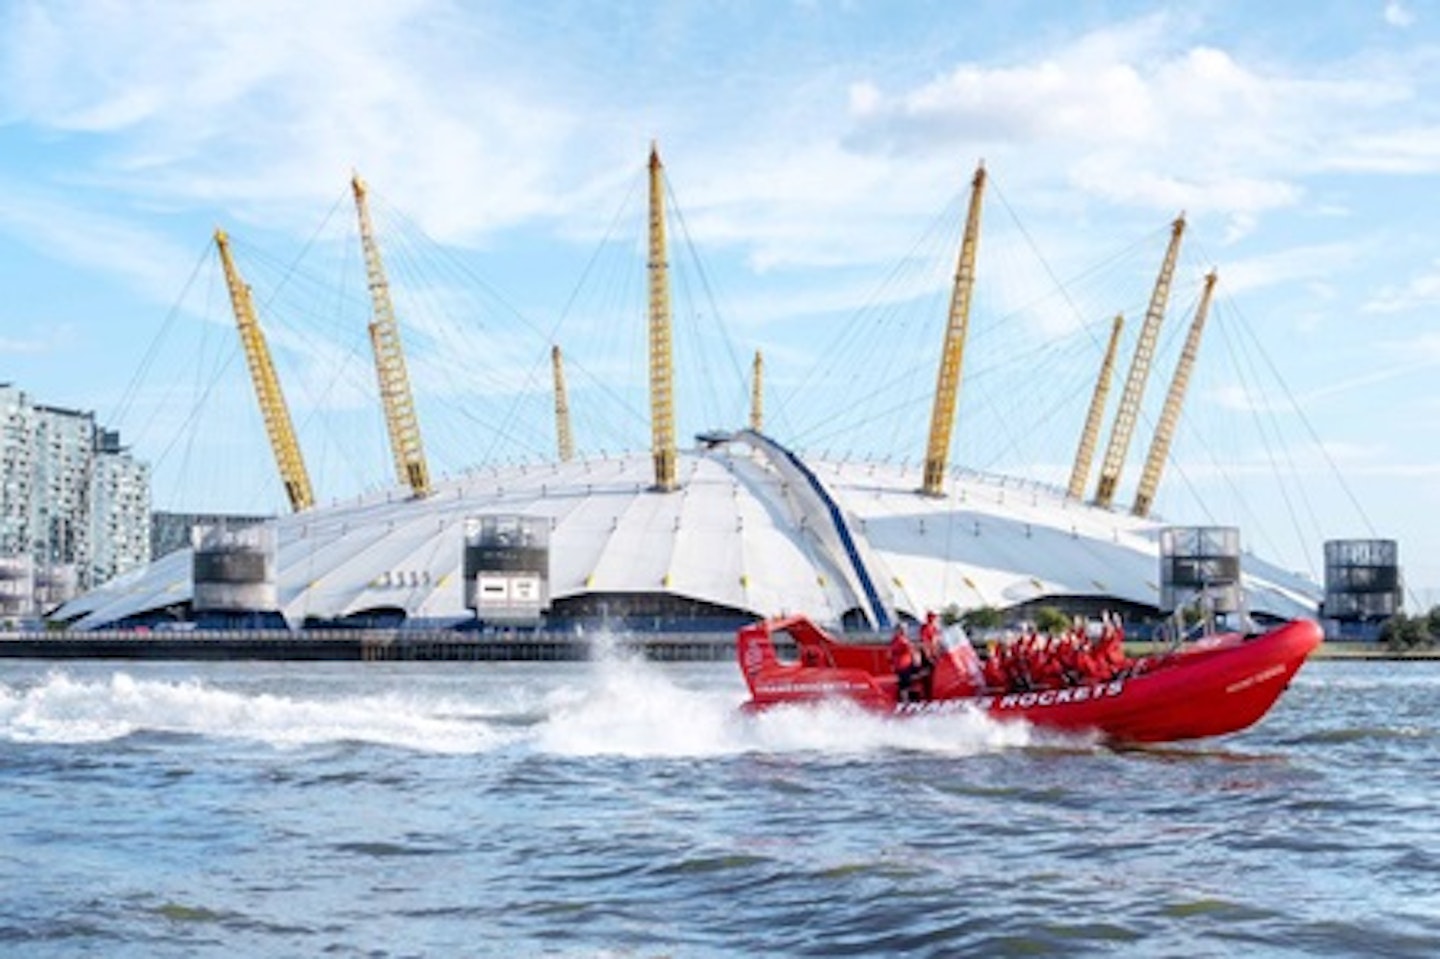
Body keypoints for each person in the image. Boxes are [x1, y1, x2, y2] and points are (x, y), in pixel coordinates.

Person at [889, 623, 920, 703]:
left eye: (905, 629)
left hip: (902, 665)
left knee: (907, 681)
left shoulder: (896, 640)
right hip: (904, 666)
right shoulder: (901, 640)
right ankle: (905, 701)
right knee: (904, 685)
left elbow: (890, 654)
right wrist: (916, 659)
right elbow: (911, 649)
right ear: (898, 630)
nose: (905, 630)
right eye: (903, 629)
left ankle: (913, 694)